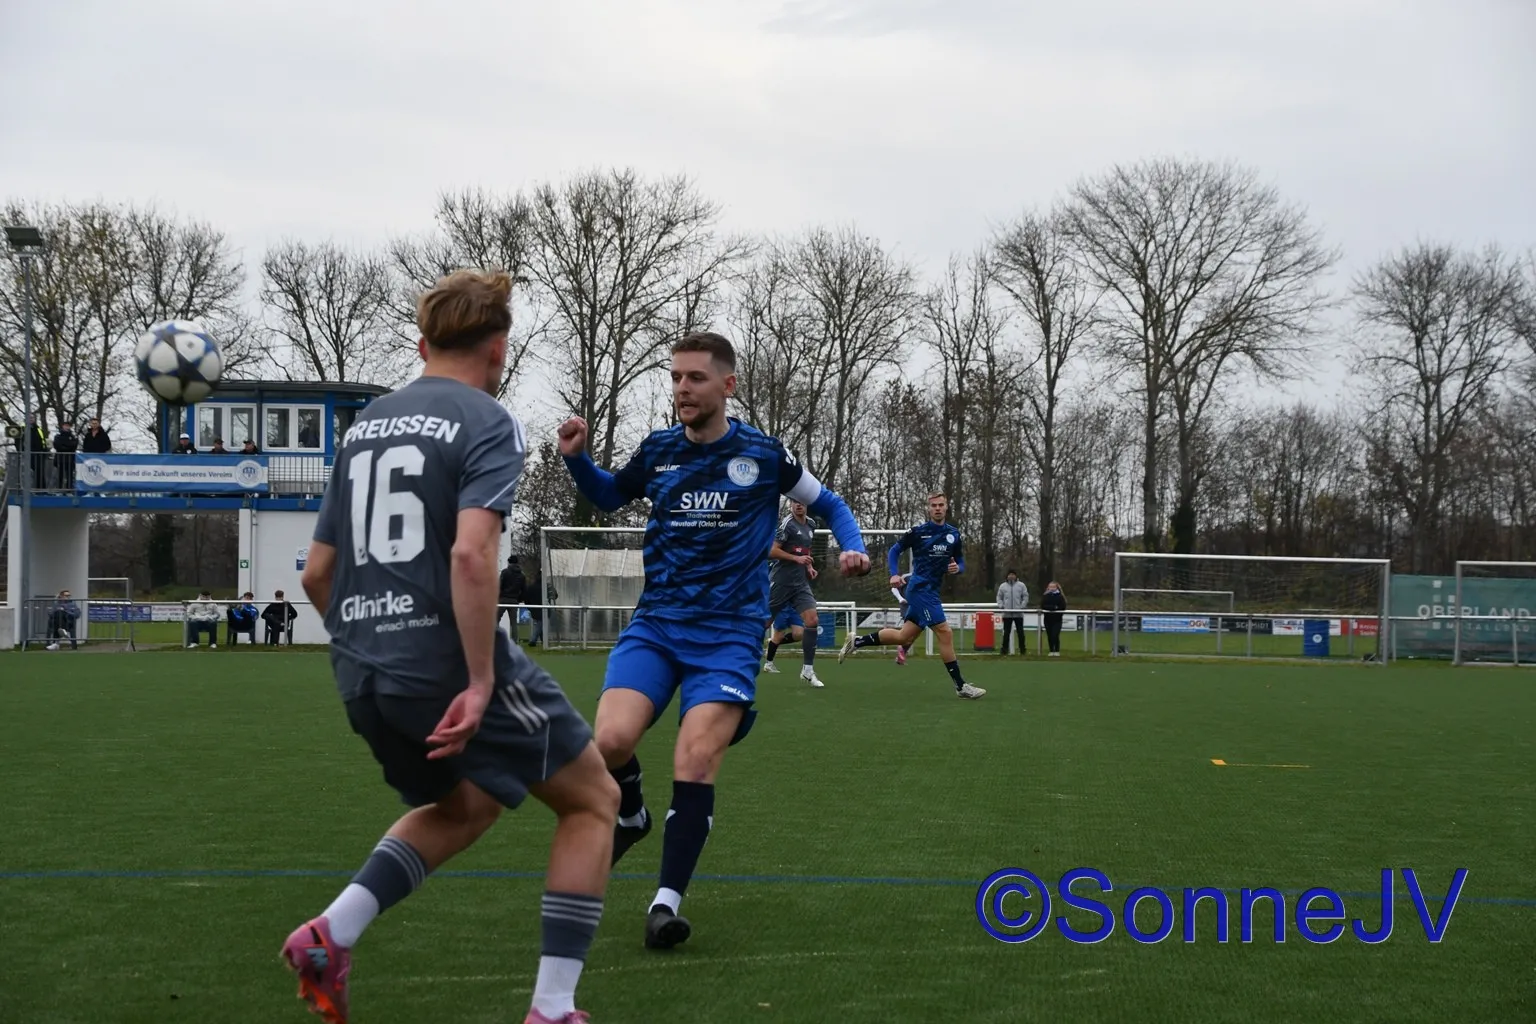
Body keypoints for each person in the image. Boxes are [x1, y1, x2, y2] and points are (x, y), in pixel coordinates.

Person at [279, 269, 617, 1024]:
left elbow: (317, 575)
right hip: (443, 662)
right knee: (594, 800)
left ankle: (330, 934)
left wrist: (372, 647)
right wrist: (478, 678)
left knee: (467, 803)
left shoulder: (364, 427)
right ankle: (553, 1008)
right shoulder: (487, 420)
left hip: (362, 673)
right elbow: (472, 554)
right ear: (498, 348)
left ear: (422, 344)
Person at [559, 330, 871, 951]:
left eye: (695, 378)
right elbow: (609, 494)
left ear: (727, 385)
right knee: (610, 741)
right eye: (676, 377)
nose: (682, 388)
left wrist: (853, 545)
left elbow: (831, 503)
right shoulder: (659, 450)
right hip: (658, 625)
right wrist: (576, 457)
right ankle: (632, 815)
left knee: (695, 757)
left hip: (728, 635)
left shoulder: (763, 454)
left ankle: (665, 904)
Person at [839, 492, 986, 700]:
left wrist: (957, 568)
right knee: (945, 632)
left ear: (946, 507)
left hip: (932, 591)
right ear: (929, 508)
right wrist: (894, 574)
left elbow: (960, 561)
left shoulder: (953, 534)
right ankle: (961, 686)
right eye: (933, 505)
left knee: (904, 636)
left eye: (941, 505)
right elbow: (894, 551)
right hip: (919, 589)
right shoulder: (918, 532)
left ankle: (857, 642)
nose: (937, 508)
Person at [761, 500, 825, 687]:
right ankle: (734, 655)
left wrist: (809, 566)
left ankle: (808, 671)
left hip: (800, 584)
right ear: (790, 504)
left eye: (802, 502)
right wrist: (796, 559)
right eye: (795, 502)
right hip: (781, 582)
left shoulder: (811, 524)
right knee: (764, 623)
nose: (799, 505)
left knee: (812, 620)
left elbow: (805, 550)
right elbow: (771, 551)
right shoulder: (787, 524)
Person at [996, 569, 1029, 656]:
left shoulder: (1021, 585)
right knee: (1006, 633)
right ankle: (1004, 650)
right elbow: (999, 597)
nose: (1011, 576)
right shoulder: (1002, 586)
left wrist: (1022, 606)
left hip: (1018, 614)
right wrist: (1001, 606)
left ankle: (1022, 650)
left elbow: (1025, 597)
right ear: (1007, 576)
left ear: (1016, 576)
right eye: (1009, 574)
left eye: (1013, 574)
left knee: (1020, 632)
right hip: (1007, 614)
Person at [499, 555, 527, 642]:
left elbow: (499, 586)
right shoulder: (522, 575)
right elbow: (524, 590)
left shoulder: (505, 572)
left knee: (495, 620)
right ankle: (515, 641)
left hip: (503, 599)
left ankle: (495, 640)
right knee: (514, 623)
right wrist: (519, 599)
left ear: (509, 562)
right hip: (514, 600)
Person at [1041, 581, 1067, 657]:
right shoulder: (1045, 596)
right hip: (1047, 619)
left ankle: (1057, 650)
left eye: (1053, 587)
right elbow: (1043, 606)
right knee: (1049, 635)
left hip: (1057, 619)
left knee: (1055, 635)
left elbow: (1062, 607)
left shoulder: (1060, 596)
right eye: (1050, 587)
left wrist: (1054, 608)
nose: (1052, 588)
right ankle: (1051, 650)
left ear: (1057, 588)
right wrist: (1053, 607)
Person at [891, 575, 912, 666]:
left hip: (917, 607)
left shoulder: (926, 576)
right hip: (907, 608)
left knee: (912, 634)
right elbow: (893, 587)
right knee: (910, 633)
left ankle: (901, 655)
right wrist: (901, 599)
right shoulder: (908, 577)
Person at [53, 420, 79, 490]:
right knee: (60, 475)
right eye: (65, 425)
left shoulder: (73, 436)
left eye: (68, 426)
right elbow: (57, 445)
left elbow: (74, 445)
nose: (67, 427)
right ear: (63, 426)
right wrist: (67, 446)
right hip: (60, 458)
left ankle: (69, 490)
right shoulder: (58, 436)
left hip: (70, 459)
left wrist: (66, 446)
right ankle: (59, 489)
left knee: (69, 475)